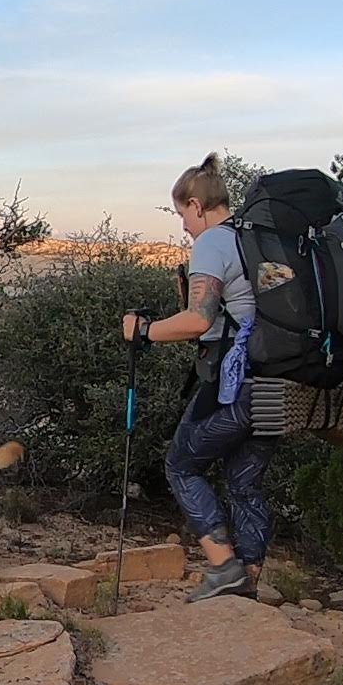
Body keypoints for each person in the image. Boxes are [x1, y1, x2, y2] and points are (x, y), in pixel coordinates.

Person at [121, 153, 278, 602]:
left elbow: (196, 320)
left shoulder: (213, 242)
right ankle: (246, 585)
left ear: (196, 204)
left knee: (181, 464)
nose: (184, 228)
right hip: (281, 381)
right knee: (245, 481)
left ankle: (224, 568)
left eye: (182, 215)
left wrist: (144, 331)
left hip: (239, 383)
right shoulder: (258, 240)